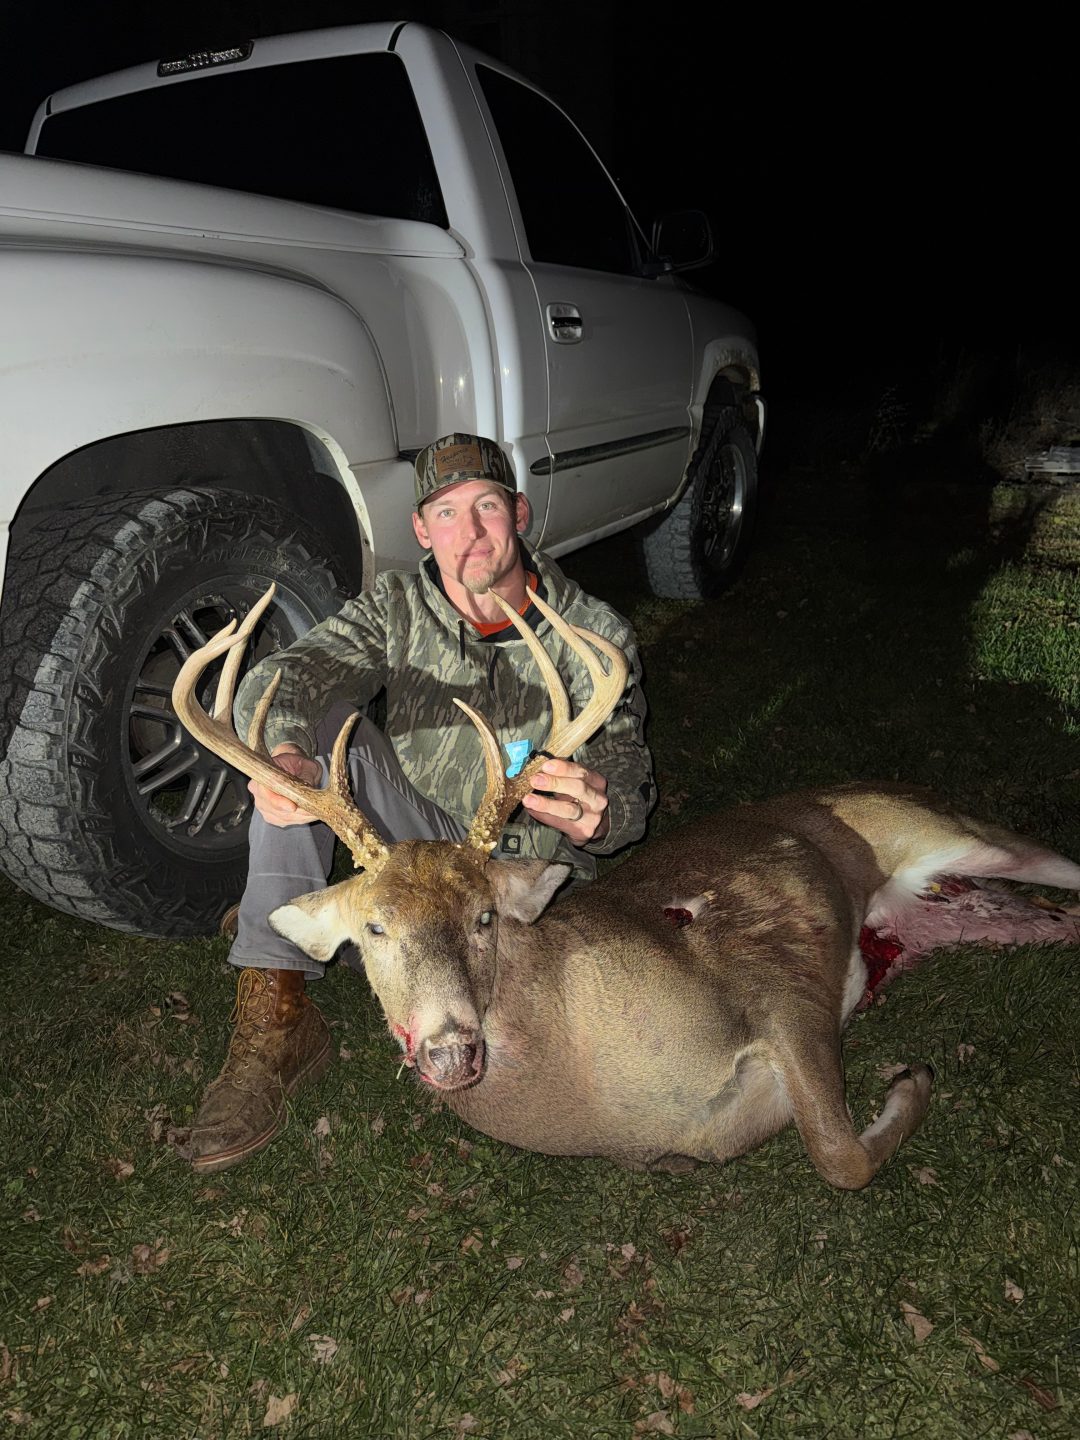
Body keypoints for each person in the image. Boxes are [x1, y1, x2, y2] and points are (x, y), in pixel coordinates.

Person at [189, 432, 655, 1172]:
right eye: (446, 513)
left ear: (520, 513)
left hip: (514, 870)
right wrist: (285, 753)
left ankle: (337, 923)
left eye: (487, 507)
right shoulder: (397, 607)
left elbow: (627, 786)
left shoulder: (594, 636)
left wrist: (600, 816)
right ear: (421, 530)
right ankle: (278, 1009)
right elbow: (291, 675)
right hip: (415, 845)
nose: (470, 532)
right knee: (309, 739)